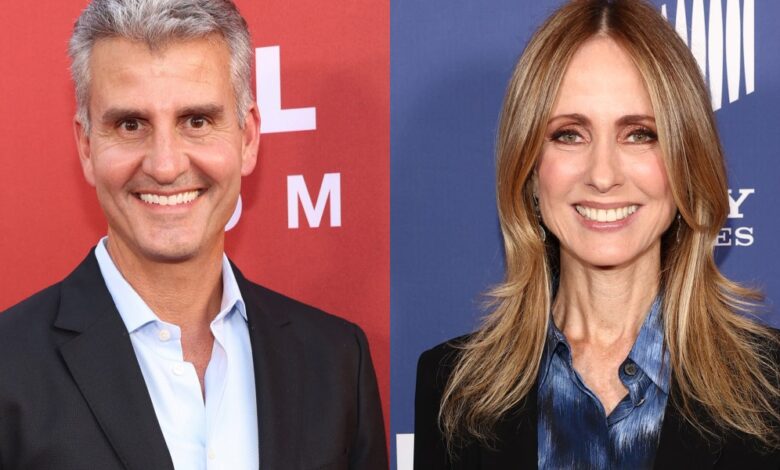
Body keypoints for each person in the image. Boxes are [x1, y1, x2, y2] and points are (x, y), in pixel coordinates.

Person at [0, 1, 387, 469]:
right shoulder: (9, 369)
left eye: (197, 121)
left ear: (248, 138)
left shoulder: (335, 362)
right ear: (86, 146)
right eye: (130, 125)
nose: (165, 165)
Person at [414, 0, 780, 468]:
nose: (603, 175)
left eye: (639, 134)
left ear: (686, 165)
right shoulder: (454, 390)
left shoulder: (770, 387)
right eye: (569, 134)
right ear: (529, 170)